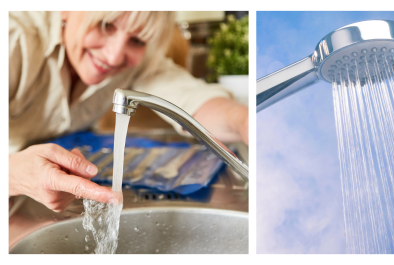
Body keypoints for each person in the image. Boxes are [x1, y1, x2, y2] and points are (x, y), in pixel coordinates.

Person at [8, 11, 249, 212]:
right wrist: (14, 175)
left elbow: (191, 101)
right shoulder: (12, 39)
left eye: (137, 40)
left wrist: (244, 122)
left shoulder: (138, 59)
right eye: (105, 25)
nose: (113, 56)